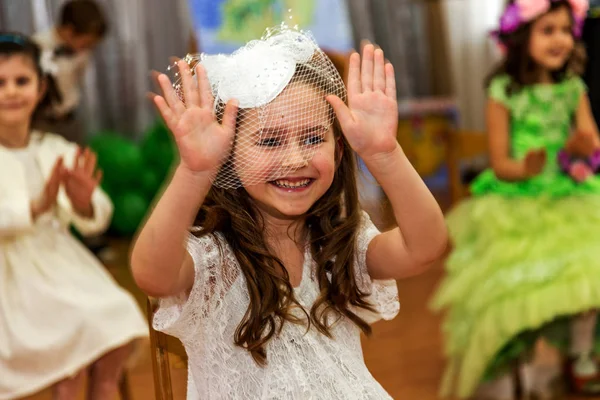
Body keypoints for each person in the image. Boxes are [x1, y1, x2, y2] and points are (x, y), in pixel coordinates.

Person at [131, 26, 448, 399]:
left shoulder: (338, 240)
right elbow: (152, 275)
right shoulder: (215, 260)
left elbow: (425, 246)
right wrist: (195, 171)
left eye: (314, 138)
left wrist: (384, 154)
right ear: (229, 156)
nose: (296, 159)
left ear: (339, 150)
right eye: (269, 141)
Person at [430, 0, 600, 398]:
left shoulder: (574, 89)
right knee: (522, 280)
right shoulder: (503, 91)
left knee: (588, 268)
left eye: (564, 29)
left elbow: (590, 140)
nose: (560, 39)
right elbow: (500, 162)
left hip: (568, 194)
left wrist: (580, 144)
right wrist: (526, 168)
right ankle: (519, 360)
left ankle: (580, 356)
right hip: (517, 199)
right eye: (547, 30)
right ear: (521, 37)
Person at [0, 32, 147, 400]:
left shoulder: (55, 148)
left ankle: (105, 386)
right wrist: (34, 207)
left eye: (21, 80)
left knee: (115, 317)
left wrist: (82, 202)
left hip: (61, 265)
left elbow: (95, 216)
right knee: (72, 353)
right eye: (0, 83)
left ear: (40, 87)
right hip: (12, 278)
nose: (11, 91)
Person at [32, 0, 108, 144]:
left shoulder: (82, 53)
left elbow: (78, 77)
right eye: (86, 43)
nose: (87, 49)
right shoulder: (37, 47)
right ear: (69, 30)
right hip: (42, 122)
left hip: (70, 118)